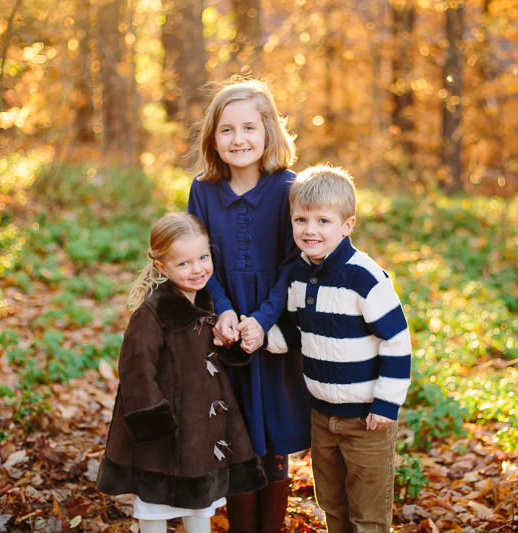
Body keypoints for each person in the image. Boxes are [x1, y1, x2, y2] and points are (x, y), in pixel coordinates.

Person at [187, 78, 312, 532]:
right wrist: (221, 309)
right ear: (213, 137)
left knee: (272, 428)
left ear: (268, 132)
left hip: (273, 326)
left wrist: (261, 320)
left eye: (249, 128)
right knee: (235, 429)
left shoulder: (287, 188)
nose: (238, 139)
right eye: (226, 130)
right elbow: (203, 260)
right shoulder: (203, 190)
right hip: (225, 327)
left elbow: (291, 262)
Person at [97, 213, 268, 533]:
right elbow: (135, 370)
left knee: (199, 504)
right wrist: (153, 421)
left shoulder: (209, 303)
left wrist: (232, 343)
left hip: (198, 429)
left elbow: (210, 355)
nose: (198, 269)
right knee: (154, 509)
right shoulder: (153, 313)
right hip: (161, 432)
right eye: (184, 263)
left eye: (203, 258)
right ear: (162, 267)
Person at [284, 164, 412, 533]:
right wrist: (260, 338)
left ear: (347, 225)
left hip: (367, 421)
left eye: (323, 221)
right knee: (332, 504)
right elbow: (299, 332)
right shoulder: (298, 274)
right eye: (301, 219)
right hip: (322, 416)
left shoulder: (364, 277)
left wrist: (386, 402)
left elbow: (396, 339)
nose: (310, 230)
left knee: (367, 513)